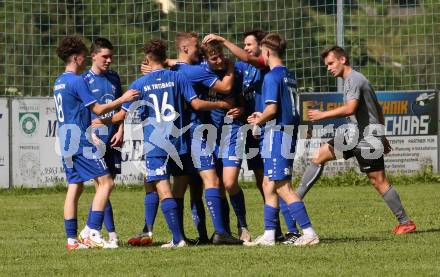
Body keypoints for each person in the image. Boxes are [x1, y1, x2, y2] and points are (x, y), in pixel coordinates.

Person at [96, 39, 236, 247]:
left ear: (147, 59)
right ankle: (217, 232)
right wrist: (222, 104)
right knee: (180, 187)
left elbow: (120, 117)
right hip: (179, 141)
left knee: (163, 189)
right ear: (164, 56)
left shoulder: (139, 84)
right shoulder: (178, 77)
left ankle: (178, 239)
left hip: (155, 145)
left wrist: (100, 120)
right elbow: (196, 104)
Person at [296, 45, 416, 235]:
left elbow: (351, 108)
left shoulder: (354, 80)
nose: (328, 68)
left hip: (366, 138)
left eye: (331, 63)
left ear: (342, 60)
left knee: (378, 181)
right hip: (353, 135)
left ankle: (405, 222)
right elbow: (379, 109)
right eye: (326, 65)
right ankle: (294, 201)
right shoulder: (355, 80)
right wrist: (382, 134)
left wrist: (322, 115)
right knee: (320, 155)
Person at [202, 31, 300, 243]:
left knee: (272, 182)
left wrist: (223, 40)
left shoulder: (265, 67)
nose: (245, 48)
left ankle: (290, 230)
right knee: (265, 183)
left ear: (263, 48)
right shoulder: (240, 68)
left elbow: (246, 59)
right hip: (247, 128)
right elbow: (219, 70)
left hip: (265, 129)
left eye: (249, 44)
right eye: (244, 44)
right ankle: (268, 231)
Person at [53, 36, 138, 249]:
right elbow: (98, 109)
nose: (84, 60)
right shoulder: (77, 80)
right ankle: (91, 231)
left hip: (65, 139)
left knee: (75, 187)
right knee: (106, 182)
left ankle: (72, 240)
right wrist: (122, 99)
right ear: (75, 57)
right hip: (81, 139)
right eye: (83, 56)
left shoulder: (58, 82)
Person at [245, 33, 319, 246]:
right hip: (286, 132)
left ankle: (309, 231)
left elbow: (272, 108)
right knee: (269, 183)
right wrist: (262, 117)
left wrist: (258, 120)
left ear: (266, 52)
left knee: (283, 186)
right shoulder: (290, 75)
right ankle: (269, 234)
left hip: (277, 134)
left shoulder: (271, 76)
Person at [200, 40, 251, 242]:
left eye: (221, 56)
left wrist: (243, 109)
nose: (220, 60)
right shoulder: (200, 73)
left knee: (230, 183)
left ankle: (243, 225)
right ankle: (224, 231)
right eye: (214, 58)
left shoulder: (235, 71)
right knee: (217, 185)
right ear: (205, 60)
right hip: (209, 134)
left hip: (233, 129)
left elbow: (246, 98)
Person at [77, 37, 123, 249]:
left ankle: (95, 232)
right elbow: (84, 112)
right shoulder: (84, 80)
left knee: (107, 186)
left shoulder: (114, 77)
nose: (109, 60)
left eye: (111, 56)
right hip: (94, 139)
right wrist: (91, 133)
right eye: (105, 56)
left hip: (113, 136)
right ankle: (107, 234)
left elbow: (123, 107)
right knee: (103, 186)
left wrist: (122, 129)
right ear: (93, 56)